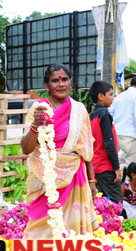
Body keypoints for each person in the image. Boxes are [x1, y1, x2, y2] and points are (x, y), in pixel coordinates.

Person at [21, 63, 97, 238]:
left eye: (64, 79)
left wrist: (92, 179)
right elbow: (26, 148)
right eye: (55, 80)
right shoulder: (38, 109)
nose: (61, 84)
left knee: (72, 228)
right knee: (39, 226)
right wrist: (35, 124)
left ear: (70, 82)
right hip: (45, 177)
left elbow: (86, 146)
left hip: (75, 176)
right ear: (47, 85)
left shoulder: (79, 109)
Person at [89, 80, 122, 205]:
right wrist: (116, 168)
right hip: (106, 166)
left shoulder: (91, 116)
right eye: (111, 94)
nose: (113, 98)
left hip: (95, 166)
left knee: (99, 201)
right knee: (116, 201)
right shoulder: (105, 114)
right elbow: (109, 142)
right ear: (101, 96)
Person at [109, 76, 136, 172]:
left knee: (119, 161)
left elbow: (110, 113)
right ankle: (125, 185)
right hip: (129, 133)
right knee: (130, 163)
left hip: (116, 132)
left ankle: (117, 183)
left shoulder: (119, 96)